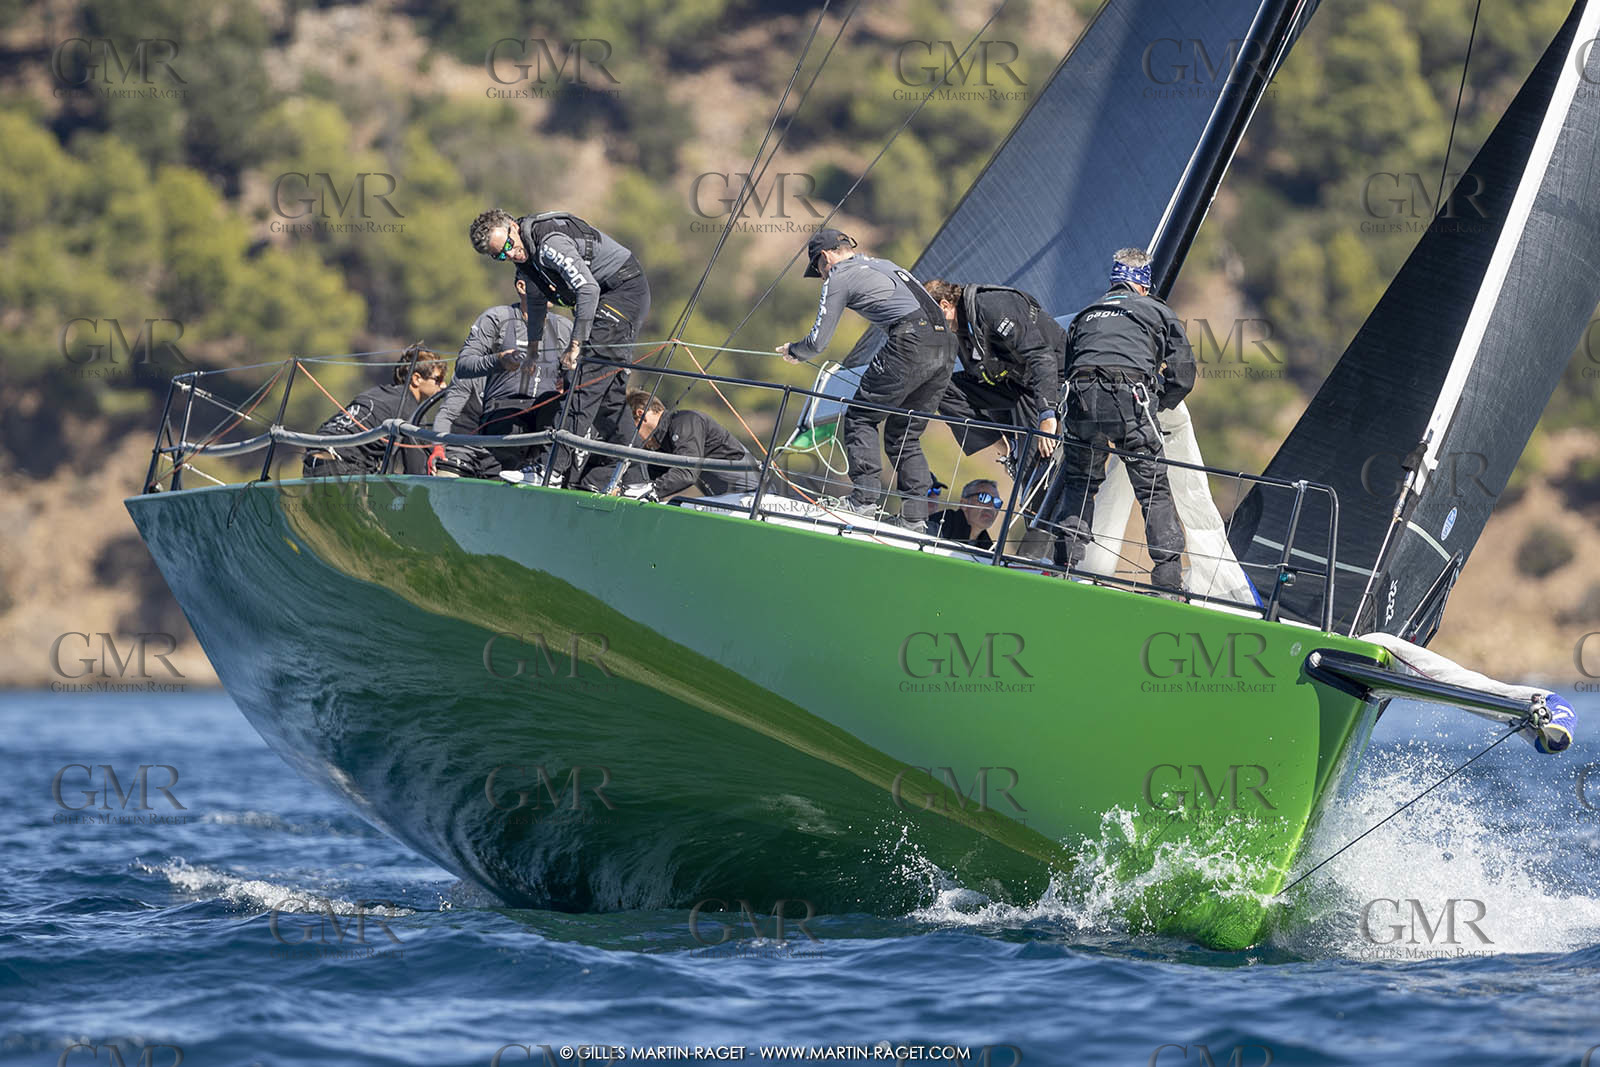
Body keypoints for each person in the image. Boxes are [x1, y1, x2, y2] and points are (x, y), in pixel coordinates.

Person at [778, 229, 956, 527]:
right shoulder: (885, 263)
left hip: (910, 340)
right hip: (948, 346)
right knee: (905, 435)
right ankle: (914, 519)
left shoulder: (838, 276)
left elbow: (817, 343)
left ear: (826, 257)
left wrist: (795, 351)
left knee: (860, 416)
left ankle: (863, 501)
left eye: (818, 269)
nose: (821, 277)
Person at [1043, 248, 1196, 592]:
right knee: (1153, 490)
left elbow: (1067, 366)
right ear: (1144, 285)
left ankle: (1063, 564)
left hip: (1080, 399)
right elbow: (1184, 374)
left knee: (1080, 482)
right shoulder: (1157, 310)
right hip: (1129, 400)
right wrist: (1157, 404)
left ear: (1114, 281)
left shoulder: (1087, 313)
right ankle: (1168, 581)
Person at [468, 208, 649, 487]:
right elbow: (538, 303)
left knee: (582, 385)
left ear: (513, 227)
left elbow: (588, 289)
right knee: (609, 403)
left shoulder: (549, 244)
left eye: (508, 245)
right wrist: (532, 351)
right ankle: (639, 480)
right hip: (604, 298)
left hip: (621, 292)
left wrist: (575, 345)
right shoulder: (526, 261)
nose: (511, 254)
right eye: (500, 256)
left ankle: (550, 470)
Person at [925, 279, 1065, 474]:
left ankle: (1029, 466)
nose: (927, 327)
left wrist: (1047, 414)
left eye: (928, 319)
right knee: (939, 386)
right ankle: (1009, 449)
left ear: (945, 305)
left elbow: (1042, 356)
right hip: (1016, 384)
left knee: (1032, 472)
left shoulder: (991, 306)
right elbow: (984, 375)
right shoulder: (959, 330)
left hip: (1050, 379)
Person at [440, 279, 574, 479]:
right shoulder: (497, 318)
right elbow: (463, 365)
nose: (553, 288)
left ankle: (552, 477)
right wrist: (499, 360)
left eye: (553, 282)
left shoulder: (565, 328)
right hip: (502, 416)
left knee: (560, 414)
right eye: (544, 283)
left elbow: (580, 380)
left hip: (545, 420)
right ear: (521, 286)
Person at [582, 391, 760, 500]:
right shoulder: (664, 443)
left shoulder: (686, 421)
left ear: (641, 415)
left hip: (751, 498)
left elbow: (686, 472)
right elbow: (647, 475)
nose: (630, 436)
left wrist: (651, 491)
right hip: (728, 501)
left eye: (630, 427)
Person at [302, 343, 446, 477]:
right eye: (438, 379)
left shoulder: (375, 393)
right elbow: (417, 471)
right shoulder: (411, 409)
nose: (444, 386)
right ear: (416, 379)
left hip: (312, 458)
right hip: (340, 465)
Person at [926, 478, 1004, 549]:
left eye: (997, 502)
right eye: (984, 497)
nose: (992, 506)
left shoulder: (990, 550)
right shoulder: (940, 523)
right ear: (964, 503)